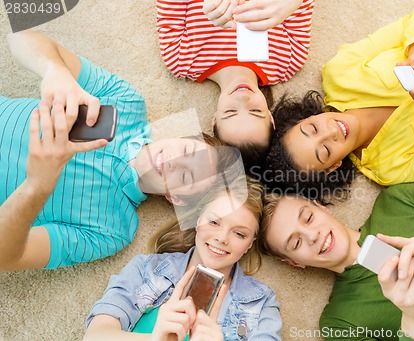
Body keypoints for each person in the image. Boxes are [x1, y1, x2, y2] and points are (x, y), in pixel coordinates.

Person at [0, 30, 238, 271]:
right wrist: (55, 71)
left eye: (185, 175)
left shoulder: (113, 229)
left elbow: (5, 257)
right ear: (179, 137)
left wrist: (36, 185)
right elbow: (18, 38)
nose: (174, 161)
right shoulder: (126, 102)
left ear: (174, 198)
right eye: (186, 150)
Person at [265, 0, 414, 198]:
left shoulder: (340, 73)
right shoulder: (392, 169)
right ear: (333, 166)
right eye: (325, 150)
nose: (330, 132)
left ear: (307, 117)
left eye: (313, 128)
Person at [258, 182, 414, 340]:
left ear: (322, 207)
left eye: (308, 218)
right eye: (296, 243)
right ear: (294, 263)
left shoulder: (397, 201)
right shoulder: (340, 324)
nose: (312, 235)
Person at [84, 176, 281, 340]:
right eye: (213, 222)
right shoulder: (147, 269)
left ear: (250, 244)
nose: (222, 238)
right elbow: (95, 335)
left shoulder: (261, 302)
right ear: (197, 220)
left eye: (239, 234)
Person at [156, 0, 314, 167]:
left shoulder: (181, 60)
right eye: (255, 110)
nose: (242, 97)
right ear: (270, 117)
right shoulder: (288, 61)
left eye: (231, 111)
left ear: (215, 119)